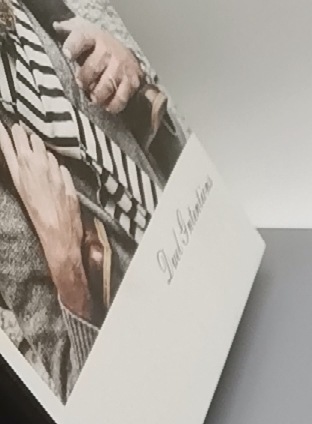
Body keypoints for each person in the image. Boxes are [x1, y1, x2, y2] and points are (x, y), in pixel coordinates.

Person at [0, 0, 183, 399]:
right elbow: (83, 393)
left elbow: (163, 153)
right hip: (166, 370)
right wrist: (66, 265)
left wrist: (134, 76)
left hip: (202, 244)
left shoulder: (36, 11)